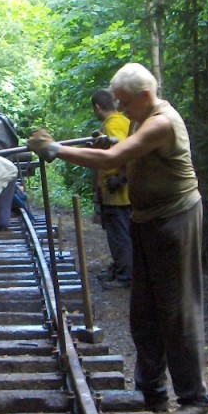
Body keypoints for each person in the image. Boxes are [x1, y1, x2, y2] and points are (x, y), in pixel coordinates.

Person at [27, 62, 208, 414]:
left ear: (144, 95)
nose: (120, 110)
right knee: (144, 311)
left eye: (124, 102)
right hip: (146, 220)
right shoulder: (142, 118)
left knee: (176, 310)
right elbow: (124, 153)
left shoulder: (160, 121)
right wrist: (112, 141)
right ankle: (151, 391)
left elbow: (113, 160)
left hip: (174, 220)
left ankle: (194, 399)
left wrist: (54, 150)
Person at [91, 89, 133, 289]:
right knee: (122, 234)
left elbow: (124, 151)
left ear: (98, 107)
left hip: (118, 193)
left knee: (119, 236)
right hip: (122, 192)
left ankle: (125, 276)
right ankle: (119, 268)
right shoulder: (124, 121)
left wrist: (119, 178)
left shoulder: (114, 124)